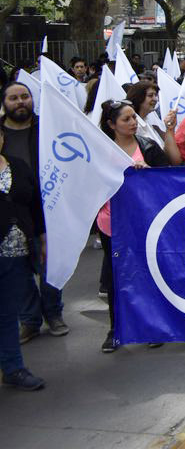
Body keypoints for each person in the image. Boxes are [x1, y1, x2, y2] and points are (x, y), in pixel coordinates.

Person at [97, 99, 171, 354]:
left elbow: (168, 179)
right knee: (117, 277)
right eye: (126, 119)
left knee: (148, 273)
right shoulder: (100, 151)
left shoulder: (148, 146)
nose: (132, 123)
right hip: (111, 224)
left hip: (145, 224)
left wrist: (148, 171)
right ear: (111, 124)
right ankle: (115, 329)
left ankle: (151, 326)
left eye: (133, 118)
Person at [1, 82, 67, 345]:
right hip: (12, 212)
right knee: (19, 271)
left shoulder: (46, 128)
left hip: (48, 206)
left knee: (50, 264)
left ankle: (53, 313)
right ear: (4, 103)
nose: (20, 102)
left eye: (25, 97)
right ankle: (30, 320)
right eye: (14, 98)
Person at [0, 129, 46, 390]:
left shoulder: (17, 165)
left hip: (17, 254)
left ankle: (13, 368)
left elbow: (34, 204)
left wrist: (41, 237)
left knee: (7, 314)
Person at [127, 81, 182, 164]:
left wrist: (169, 130)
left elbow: (169, 157)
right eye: (150, 95)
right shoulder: (131, 127)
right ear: (138, 97)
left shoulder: (149, 124)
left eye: (156, 95)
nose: (155, 99)